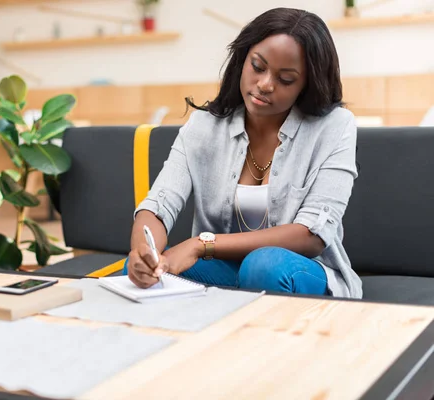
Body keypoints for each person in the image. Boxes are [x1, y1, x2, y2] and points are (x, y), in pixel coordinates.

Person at [124, 7, 362, 298]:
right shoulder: (204, 127)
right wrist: (144, 253)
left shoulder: (335, 126)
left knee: (263, 266)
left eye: (285, 79)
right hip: (225, 270)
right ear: (243, 59)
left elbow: (312, 235)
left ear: (306, 84)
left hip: (299, 271)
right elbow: (159, 205)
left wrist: (202, 244)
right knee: (138, 271)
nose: (265, 85)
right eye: (258, 67)